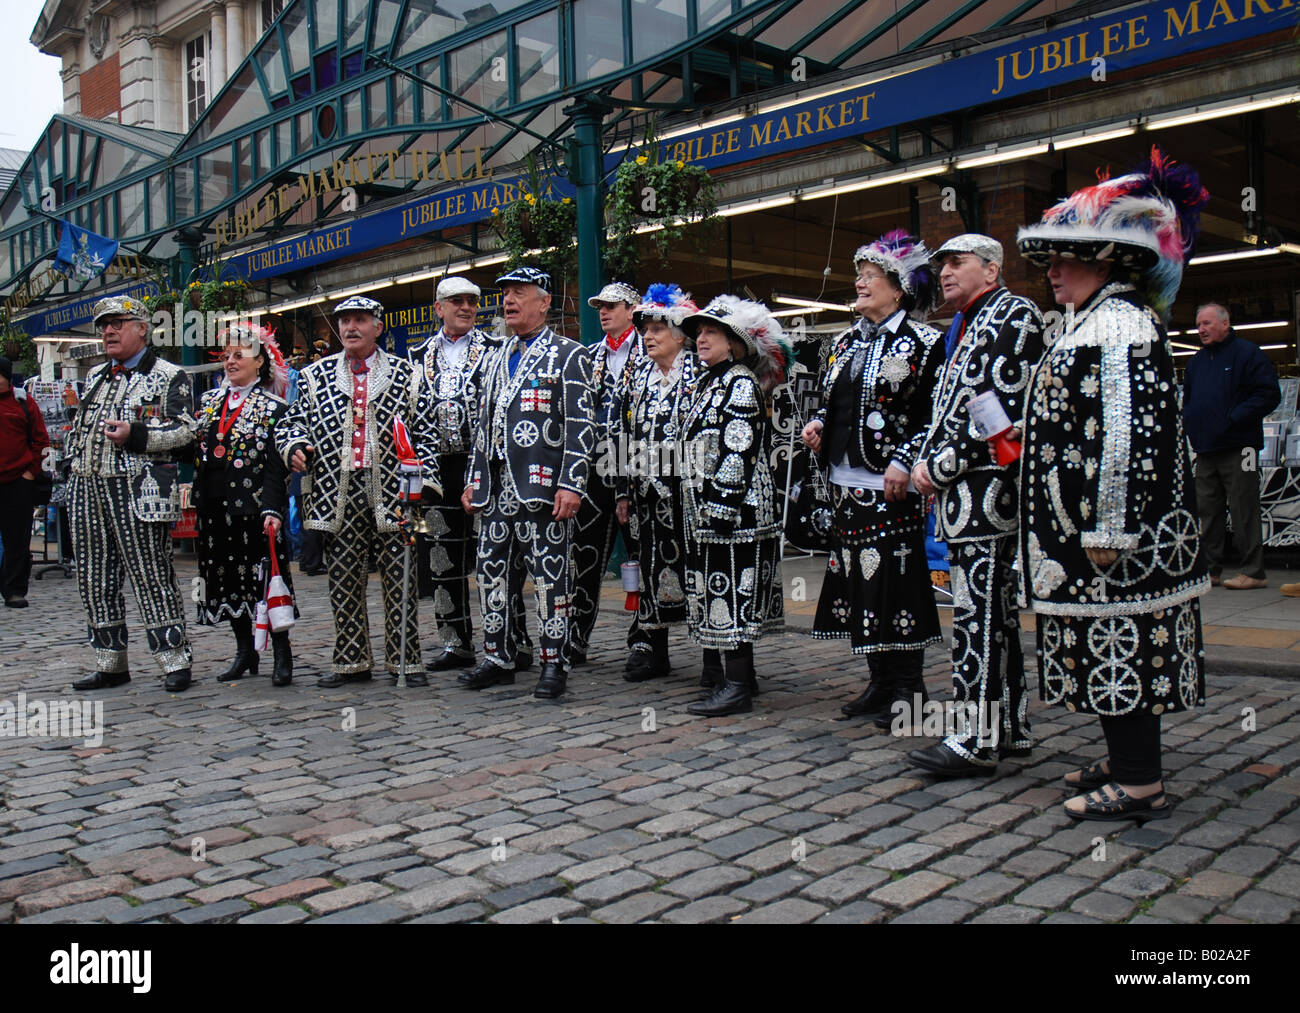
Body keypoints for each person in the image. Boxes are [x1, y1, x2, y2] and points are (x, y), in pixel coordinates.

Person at [1016, 146, 1211, 822]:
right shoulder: (1098, 320)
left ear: (1107, 261)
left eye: (1065, 261)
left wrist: (1107, 527)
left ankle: (1140, 781)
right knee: (1102, 645)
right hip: (1091, 535)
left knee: (1124, 645)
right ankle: (1123, 759)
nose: (1053, 274)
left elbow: (1124, 436)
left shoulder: (1120, 324)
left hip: (1113, 541)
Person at [907, 234, 1046, 776]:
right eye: (941, 264)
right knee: (993, 615)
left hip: (987, 490)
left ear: (991, 270)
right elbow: (951, 408)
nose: (944, 273)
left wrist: (936, 466)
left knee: (977, 615)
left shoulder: (1014, 314)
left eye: (956, 263)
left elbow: (998, 407)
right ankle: (1009, 728)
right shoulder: (969, 322)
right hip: (966, 493)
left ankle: (974, 736)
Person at [801, 231, 945, 726]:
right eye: (859, 276)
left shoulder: (926, 344)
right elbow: (831, 399)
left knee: (895, 584)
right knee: (860, 587)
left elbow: (934, 414)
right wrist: (820, 422)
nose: (860, 283)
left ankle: (911, 690)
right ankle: (880, 682)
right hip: (845, 482)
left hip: (891, 483)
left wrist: (906, 459)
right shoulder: (843, 342)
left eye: (871, 277)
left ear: (899, 288)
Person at [278, 295, 439, 689]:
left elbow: (428, 433)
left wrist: (425, 481)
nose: (351, 328)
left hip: (396, 491)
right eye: (345, 321)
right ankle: (351, 660)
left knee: (401, 579)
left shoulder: (408, 375)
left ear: (378, 327)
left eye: (360, 321)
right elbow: (292, 423)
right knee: (343, 579)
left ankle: (406, 660)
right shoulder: (315, 376)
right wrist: (295, 447)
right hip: (336, 491)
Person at [459, 266, 595, 699]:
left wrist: (572, 484)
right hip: (495, 489)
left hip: (542, 488)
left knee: (552, 577)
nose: (509, 300)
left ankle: (554, 662)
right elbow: (482, 425)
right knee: (491, 574)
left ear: (545, 302)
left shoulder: (569, 354)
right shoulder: (496, 355)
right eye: (505, 294)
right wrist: (471, 478)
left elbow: (580, 425)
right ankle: (498, 656)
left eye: (519, 292)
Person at [65, 296, 197, 692]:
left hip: (137, 488)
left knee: (151, 574)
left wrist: (136, 435)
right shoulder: (95, 377)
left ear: (142, 327)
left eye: (118, 323)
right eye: (104, 325)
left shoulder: (169, 375)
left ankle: (174, 660)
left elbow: (187, 431)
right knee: (94, 577)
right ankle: (110, 663)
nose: (108, 331)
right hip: (87, 484)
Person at [679, 295, 789, 716]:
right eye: (700, 333)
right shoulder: (710, 381)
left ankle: (739, 684)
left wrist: (720, 507)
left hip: (737, 511)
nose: (701, 339)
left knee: (735, 591)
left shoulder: (739, 381)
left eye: (711, 333)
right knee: (719, 589)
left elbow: (737, 448)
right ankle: (736, 679)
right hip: (710, 510)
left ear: (735, 344)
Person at [408, 275, 504, 674]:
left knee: (492, 560)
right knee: (444, 562)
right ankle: (455, 642)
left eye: (472, 301)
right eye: (456, 301)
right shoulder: (417, 356)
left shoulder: (496, 350)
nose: (466, 307)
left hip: (483, 465)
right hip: (437, 470)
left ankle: (508, 640)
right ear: (438, 309)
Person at [193, 325, 295, 686]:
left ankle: (282, 653)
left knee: (267, 578)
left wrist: (272, 509)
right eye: (228, 355)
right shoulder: (208, 404)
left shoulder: (274, 409)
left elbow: (274, 465)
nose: (231, 361)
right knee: (226, 579)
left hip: (254, 508)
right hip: (215, 507)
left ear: (261, 361)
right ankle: (244, 650)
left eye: (240, 354)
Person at [613, 284, 700, 682]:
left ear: (680, 335)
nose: (647, 336)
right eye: (644, 329)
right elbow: (622, 434)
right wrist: (622, 491)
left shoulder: (700, 374)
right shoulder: (637, 378)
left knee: (692, 569)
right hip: (645, 497)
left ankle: (713, 651)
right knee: (648, 569)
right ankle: (650, 647)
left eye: (656, 330)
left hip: (688, 495)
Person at [571, 281, 647, 668]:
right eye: (600, 306)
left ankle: (644, 638)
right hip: (596, 467)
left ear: (632, 310)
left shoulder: (649, 352)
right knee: (585, 553)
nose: (603, 312)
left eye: (612, 306)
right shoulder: (589, 356)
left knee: (640, 553)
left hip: (637, 463)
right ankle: (576, 635)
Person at [1182, 302, 1281, 590]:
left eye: (1207, 323)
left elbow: (1268, 394)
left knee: (1243, 508)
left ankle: (1254, 571)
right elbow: (1189, 401)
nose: (1201, 329)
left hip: (1242, 446)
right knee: (1207, 511)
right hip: (1206, 449)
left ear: (1225, 324)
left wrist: (1234, 418)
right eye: (1198, 324)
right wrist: (1192, 427)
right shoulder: (1197, 362)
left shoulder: (1248, 354)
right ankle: (1209, 570)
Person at [0, 356, 50, 609]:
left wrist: (30, 472)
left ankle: (14, 590)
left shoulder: (23, 403)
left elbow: (41, 441)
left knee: (17, 539)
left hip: (17, 481)